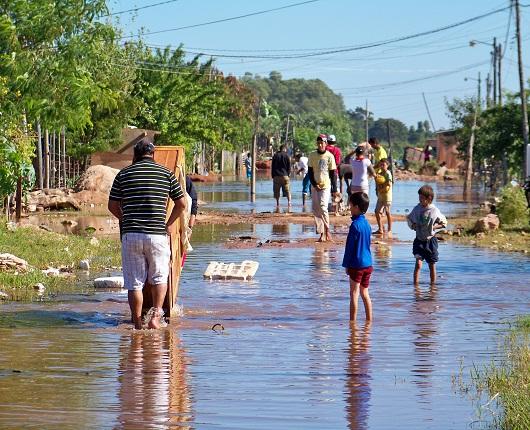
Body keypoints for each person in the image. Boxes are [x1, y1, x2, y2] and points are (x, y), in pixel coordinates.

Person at [108, 139, 186, 330]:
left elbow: (112, 205)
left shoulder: (123, 174)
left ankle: (136, 323)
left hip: (131, 235)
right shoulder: (166, 174)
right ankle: (155, 318)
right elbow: (182, 203)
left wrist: (125, 219)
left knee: (134, 283)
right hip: (157, 235)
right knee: (159, 278)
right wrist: (168, 224)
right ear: (153, 155)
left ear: (135, 155)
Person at [407, 185, 447, 285]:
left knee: (431, 265)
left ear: (429, 198)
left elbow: (444, 223)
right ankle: (415, 287)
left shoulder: (434, 210)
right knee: (418, 265)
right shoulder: (417, 209)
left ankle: (433, 287)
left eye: (421, 198)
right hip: (419, 241)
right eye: (419, 197)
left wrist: (434, 227)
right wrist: (413, 225)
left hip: (430, 242)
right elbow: (409, 218)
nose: (419, 200)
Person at [342, 192, 373, 322]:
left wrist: (346, 265)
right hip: (368, 264)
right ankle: (369, 321)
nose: (349, 208)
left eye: (350, 205)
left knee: (354, 294)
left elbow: (350, 248)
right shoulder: (367, 224)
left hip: (356, 264)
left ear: (356, 207)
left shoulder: (355, 225)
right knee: (365, 293)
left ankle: (352, 324)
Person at [308, 134, 337, 242]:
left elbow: (333, 174)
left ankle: (327, 230)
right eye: (319, 143)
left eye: (322, 143)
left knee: (323, 207)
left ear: (325, 143)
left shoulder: (329, 156)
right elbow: (310, 172)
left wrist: (334, 189)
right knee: (316, 209)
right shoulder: (312, 155)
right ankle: (321, 233)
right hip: (315, 185)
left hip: (326, 185)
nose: (320, 145)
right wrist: (315, 184)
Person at [374, 158, 393, 236]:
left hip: (387, 195)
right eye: (381, 164)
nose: (382, 166)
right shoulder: (380, 173)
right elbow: (378, 182)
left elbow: (389, 183)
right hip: (380, 195)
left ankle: (389, 229)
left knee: (387, 212)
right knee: (377, 211)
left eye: (383, 165)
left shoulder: (388, 173)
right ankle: (380, 229)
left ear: (387, 165)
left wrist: (381, 187)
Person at [271, 144, 291, 209]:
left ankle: (278, 204)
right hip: (285, 176)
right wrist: (288, 174)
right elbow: (289, 167)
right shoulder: (287, 156)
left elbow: (273, 166)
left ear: (280, 149)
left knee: (277, 191)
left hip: (276, 176)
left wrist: (273, 175)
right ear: (285, 149)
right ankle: (289, 203)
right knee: (287, 190)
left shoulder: (275, 155)